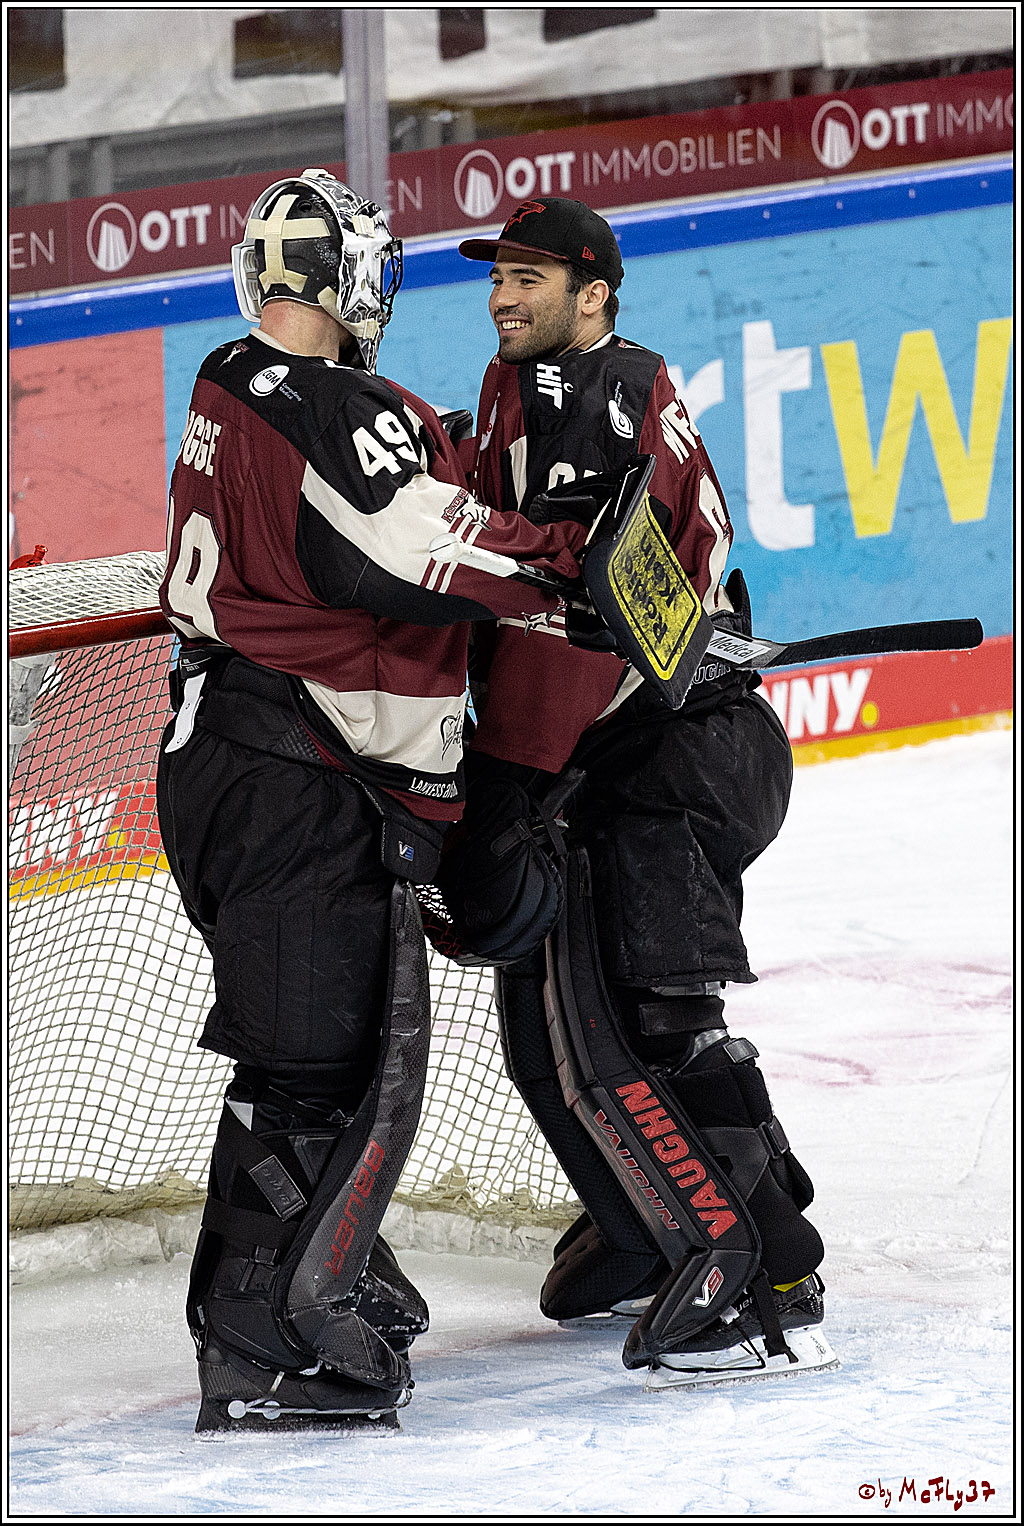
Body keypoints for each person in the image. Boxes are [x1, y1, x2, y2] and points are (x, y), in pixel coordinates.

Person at [155, 170, 599, 1433]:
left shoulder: (229, 378)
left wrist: (437, 452)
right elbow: (417, 549)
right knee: (315, 1066)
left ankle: (325, 1273)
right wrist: (576, 571)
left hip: (231, 759)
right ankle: (268, 1338)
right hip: (294, 771)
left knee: (323, 1057)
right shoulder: (331, 404)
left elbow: (348, 506)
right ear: (347, 278)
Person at [451, 196, 838, 1388]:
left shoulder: (594, 394)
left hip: (679, 752)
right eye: (498, 276)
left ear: (594, 294)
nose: (504, 296)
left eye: (529, 278)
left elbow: (573, 619)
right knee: (546, 1022)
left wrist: (505, 787)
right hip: (639, 749)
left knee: (655, 1019)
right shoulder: (533, 384)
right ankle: (639, 1219)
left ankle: (769, 1272)